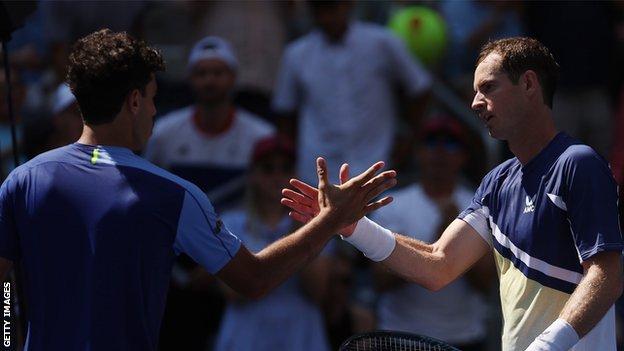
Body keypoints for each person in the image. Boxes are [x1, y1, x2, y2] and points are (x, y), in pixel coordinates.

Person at [0, 29, 397, 350]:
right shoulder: (173, 195)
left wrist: (6, 341)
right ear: (135, 101)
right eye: (154, 99)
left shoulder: (22, 180)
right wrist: (331, 220)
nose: (156, 111)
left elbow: (2, 289)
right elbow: (254, 279)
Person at [282, 37, 624, 351]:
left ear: (529, 84)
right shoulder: (496, 182)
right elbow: (437, 265)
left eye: (488, 88)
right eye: (475, 91)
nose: (475, 103)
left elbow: (607, 277)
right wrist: (353, 226)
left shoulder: (578, 164)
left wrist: (546, 346)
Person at [272, 0, 432, 184]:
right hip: (317, 175)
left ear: (348, 4)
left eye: (331, 8)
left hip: (376, 168)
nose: (325, 18)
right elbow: (285, 114)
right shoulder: (296, 54)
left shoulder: (383, 43)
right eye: (318, 10)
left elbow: (420, 88)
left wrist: (408, 140)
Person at [371, 116, 491, 350]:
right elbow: (380, 281)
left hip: (464, 339)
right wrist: (437, 247)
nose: (439, 151)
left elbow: (484, 283)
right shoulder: (391, 205)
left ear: (463, 156)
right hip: (401, 339)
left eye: (450, 144)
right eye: (431, 142)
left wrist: (451, 250)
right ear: (418, 152)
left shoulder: (479, 208)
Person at [214, 136, 331, 351]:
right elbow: (232, 292)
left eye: (285, 168)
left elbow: (317, 291)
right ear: (253, 175)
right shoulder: (229, 223)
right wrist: (292, 250)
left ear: (295, 174)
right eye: (268, 168)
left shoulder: (316, 223)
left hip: (300, 338)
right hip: (245, 339)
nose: (277, 176)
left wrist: (302, 229)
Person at [145, 36, 275, 203]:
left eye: (218, 73)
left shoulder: (262, 137)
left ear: (233, 77)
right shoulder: (163, 133)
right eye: (202, 73)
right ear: (190, 78)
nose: (209, 80)